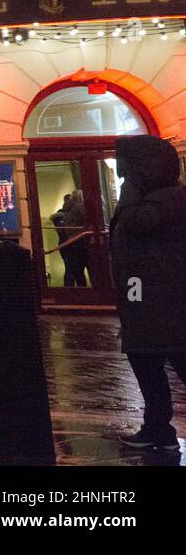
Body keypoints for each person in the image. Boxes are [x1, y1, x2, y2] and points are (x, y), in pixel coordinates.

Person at [109, 135, 186, 451]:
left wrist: (131, 189)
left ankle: (158, 428)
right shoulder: (158, 197)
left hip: (163, 306)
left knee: (169, 361)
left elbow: (133, 225)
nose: (123, 174)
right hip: (146, 302)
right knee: (148, 366)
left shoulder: (166, 201)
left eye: (127, 168)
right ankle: (157, 428)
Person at [56, 191, 91, 287]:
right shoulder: (79, 207)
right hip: (82, 241)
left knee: (75, 271)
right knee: (91, 269)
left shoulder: (66, 210)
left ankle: (81, 293)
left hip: (71, 242)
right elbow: (90, 218)